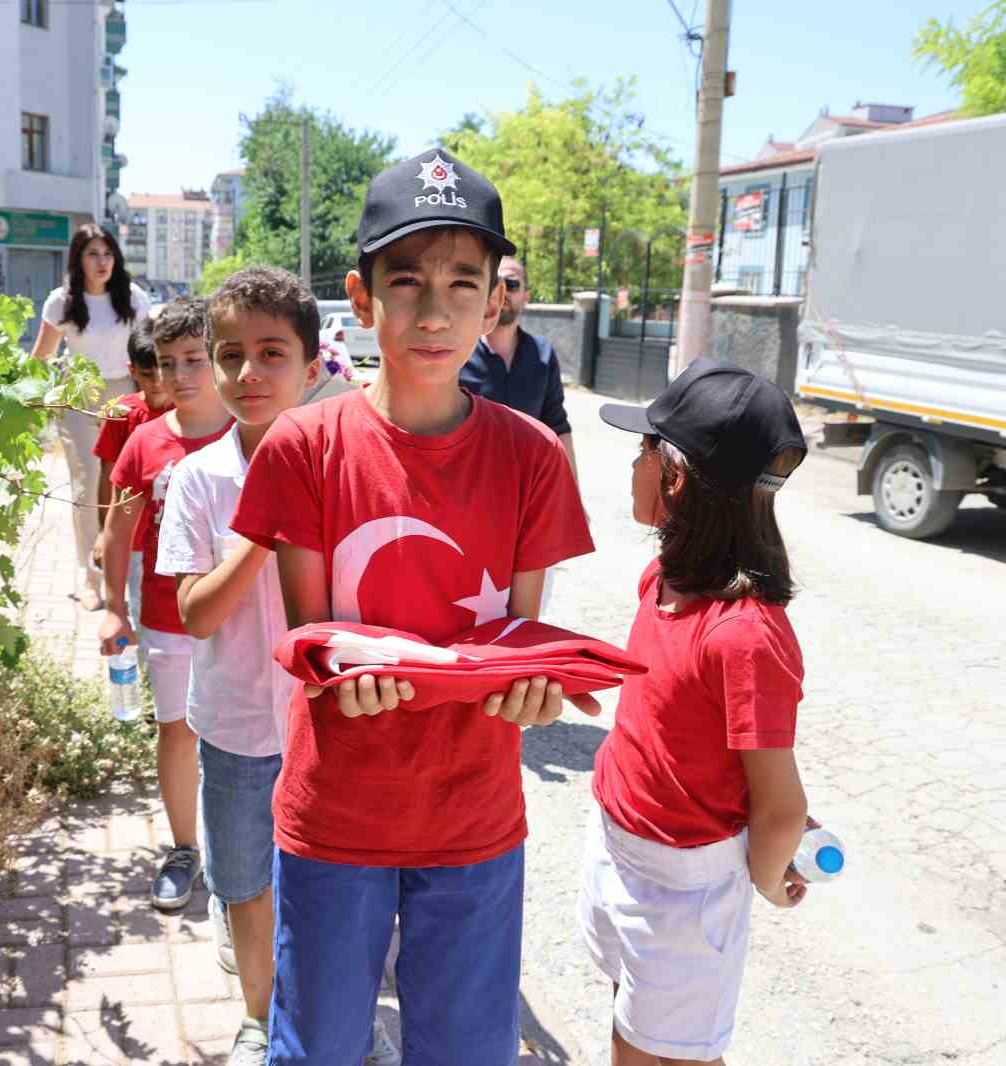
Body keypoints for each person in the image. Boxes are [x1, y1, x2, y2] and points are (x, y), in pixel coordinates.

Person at [231, 148, 597, 1065]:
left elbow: (517, 638)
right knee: (316, 1047)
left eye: (462, 284)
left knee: (468, 1050)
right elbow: (310, 640)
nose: (434, 312)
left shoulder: (532, 458)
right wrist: (331, 678)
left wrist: (535, 690)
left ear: (495, 300)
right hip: (335, 815)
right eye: (406, 282)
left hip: (473, 817)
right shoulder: (303, 448)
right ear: (361, 297)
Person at [581, 357, 812, 1066]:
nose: (633, 463)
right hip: (621, 841)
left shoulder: (745, 633)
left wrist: (771, 880)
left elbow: (781, 809)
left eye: (643, 448)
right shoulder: (665, 575)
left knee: (660, 1051)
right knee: (638, 1022)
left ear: (674, 477)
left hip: (683, 890)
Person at [154, 266, 326, 1066]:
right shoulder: (196, 478)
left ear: (313, 367)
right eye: (230, 356)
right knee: (245, 884)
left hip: (328, 725)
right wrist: (263, 527)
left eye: (271, 354)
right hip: (233, 728)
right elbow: (195, 612)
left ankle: (331, 1015)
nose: (248, 374)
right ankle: (260, 1015)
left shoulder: (345, 469)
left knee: (329, 887)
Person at [98, 297, 231, 912]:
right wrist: (112, 608)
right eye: (168, 362)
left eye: (194, 360)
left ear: (219, 360)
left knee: (246, 738)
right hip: (165, 615)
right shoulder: (146, 442)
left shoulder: (251, 431)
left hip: (240, 624)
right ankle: (184, 848)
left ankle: (253, 853)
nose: (180, 375)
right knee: (176, 731)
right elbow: (118, 531)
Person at [29, 223, 151, 610]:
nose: (102, 262)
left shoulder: (134, 299)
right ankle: (90, 575)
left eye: (108, 254)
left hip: (125, 397)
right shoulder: (61, 303)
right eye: (93, 254)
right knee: (87, 483)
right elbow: (41, 357)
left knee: (125, 484)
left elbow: (148, 352)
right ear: (78, 260)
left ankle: (123, 564)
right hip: (78, 397)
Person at [460, 257, 578, 484]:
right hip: (468, 488)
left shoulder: (543, 354)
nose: (503, 291)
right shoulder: (459, 353)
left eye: (512, 284)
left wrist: (573, 496)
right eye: (496, 282)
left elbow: (558, 427)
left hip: (529, 489)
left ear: (526, 296)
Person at [93, 320, 171, 621]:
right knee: (142, 612)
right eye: (148, 375)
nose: (157, 383)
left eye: (163, 372)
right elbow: (106, 475)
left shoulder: (192, 412)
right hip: (135, 539)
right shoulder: (121, 414)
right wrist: (104, 533)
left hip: (179, 537)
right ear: (132, 370)